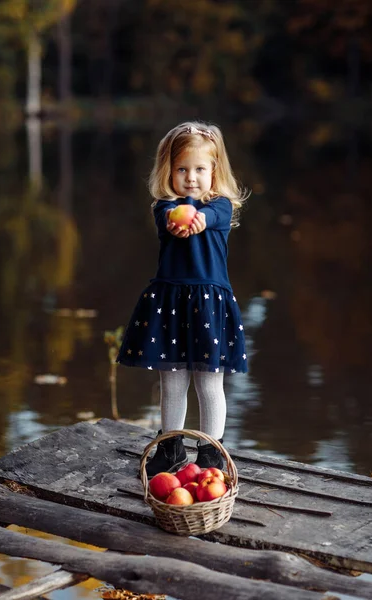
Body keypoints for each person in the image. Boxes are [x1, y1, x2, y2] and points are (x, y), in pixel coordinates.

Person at [116, 121, 249, 477]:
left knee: (209, 383)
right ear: (169, 171)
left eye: (200, 169)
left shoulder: (220, 206)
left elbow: (204, 218)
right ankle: (170, 447)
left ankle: (211, 452)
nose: (191, 177)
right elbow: (173, 222)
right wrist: (181, 219)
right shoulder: (163, 208)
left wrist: (197, 218)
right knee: (172, 381)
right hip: (171, 302)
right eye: (182, 169)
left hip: (208, 303)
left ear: (214, 171)